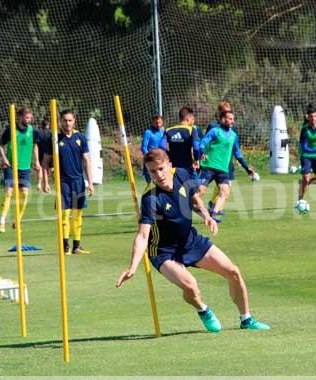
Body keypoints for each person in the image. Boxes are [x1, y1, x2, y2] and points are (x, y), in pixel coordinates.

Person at [115, 148, 269, 332]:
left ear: (169, 165)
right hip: (164, 253)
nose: (158, 175)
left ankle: (246, 319)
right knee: (191, 287)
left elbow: (195, 200)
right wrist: (133, 267)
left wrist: (207, 216)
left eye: (161, 168)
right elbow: (142, 236)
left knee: (233, 271)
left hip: (190, 241)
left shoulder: (181, 174)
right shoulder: (150, 198)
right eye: (152, 171)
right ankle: (202, 309)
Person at [42, 110, 94, 255]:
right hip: (62, 182)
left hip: (78, 181)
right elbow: (45, 162)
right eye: (65, 120)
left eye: (70, 120)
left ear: (74, 121)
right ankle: (65, 246)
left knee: (77, 214)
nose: (67, 123)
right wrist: (45, 182)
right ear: (60, 122)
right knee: (64, 214)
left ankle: (77, 246)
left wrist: (90, 182)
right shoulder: (55, 139)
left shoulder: (80, 138)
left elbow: (86, 161)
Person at [198, 110, 254, 222]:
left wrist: (247, 168)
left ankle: (213, 214)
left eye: (233, 119)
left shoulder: (233, 135)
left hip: (223, 169)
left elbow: (237, 153)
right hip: (209, 167)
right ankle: (185, 207)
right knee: (199, 192)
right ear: (223, 119)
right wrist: (202, 152)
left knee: (225, 191)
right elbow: (202, 143)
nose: (232, 121)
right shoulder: (215, 131)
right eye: (230, 119)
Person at [0, 107, 41, 233]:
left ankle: (18, 220)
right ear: (20, 117)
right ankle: (2, 221)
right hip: (11, 166)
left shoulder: (33, 131)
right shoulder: (10, 130)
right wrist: (4, 158)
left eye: (30, 117)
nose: (29, 120)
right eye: (26, 117)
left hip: (25, 168)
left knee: (25, 193)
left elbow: (35, 146)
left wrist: (36, 161)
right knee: (9, 192)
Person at [163, 106, 201, 177]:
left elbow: (161, 147)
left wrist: (170, 155)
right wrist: (196, 159)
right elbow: (196, 147)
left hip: (174, 168)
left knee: (176, 186)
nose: (193, 121)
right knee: (195, 186)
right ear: (188, 118)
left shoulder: (168, 130)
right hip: (187, 167)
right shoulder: (191, 130)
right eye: (192, 118)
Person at [141, 114, 166, 183]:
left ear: (162, 122)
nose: (158, 124)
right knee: (150, 183)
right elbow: (143, 147)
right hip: (151, 160)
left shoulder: (163, 131)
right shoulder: (148, 132)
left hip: (160, 160)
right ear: (152, 122)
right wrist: (148, 158)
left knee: (162, 182)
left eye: (160, 122)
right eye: (156, 123)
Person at [37, 118, 52, 193]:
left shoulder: (39, 132)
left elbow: (36, 143)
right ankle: (48, 184)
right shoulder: (50, 132)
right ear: (48, 125)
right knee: (51, 169)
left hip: (40, 153)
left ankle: (40, 184)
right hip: (49, 152)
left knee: (41, 169)